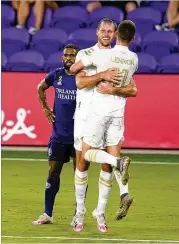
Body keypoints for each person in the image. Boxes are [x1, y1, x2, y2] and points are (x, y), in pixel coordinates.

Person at [71, 19, 138, 232]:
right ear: (97, 32)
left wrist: (114, 89)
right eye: (103, 30)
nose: (107, 34)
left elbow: (133, 89)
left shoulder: (115, 58)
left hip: (105, 114)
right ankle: (80, 210)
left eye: (111, 31)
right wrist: (101, 76)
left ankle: (100, 213)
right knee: (82, 163)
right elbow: (79, 81)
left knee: (107, 165)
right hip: (85, 115)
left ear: (116, 33)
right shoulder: (87, 54)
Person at [32, 44, 79, 225]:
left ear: (78, 58)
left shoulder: (83, 78)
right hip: (59, 135)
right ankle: (47, 214)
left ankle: (78, 214)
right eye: (66, 55)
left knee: (79, 175)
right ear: (62, 58)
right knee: (53, 171)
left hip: (79, 136)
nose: (68, 58)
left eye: (72, 55)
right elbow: (40, 88)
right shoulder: (56, 75)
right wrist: (45, 108)